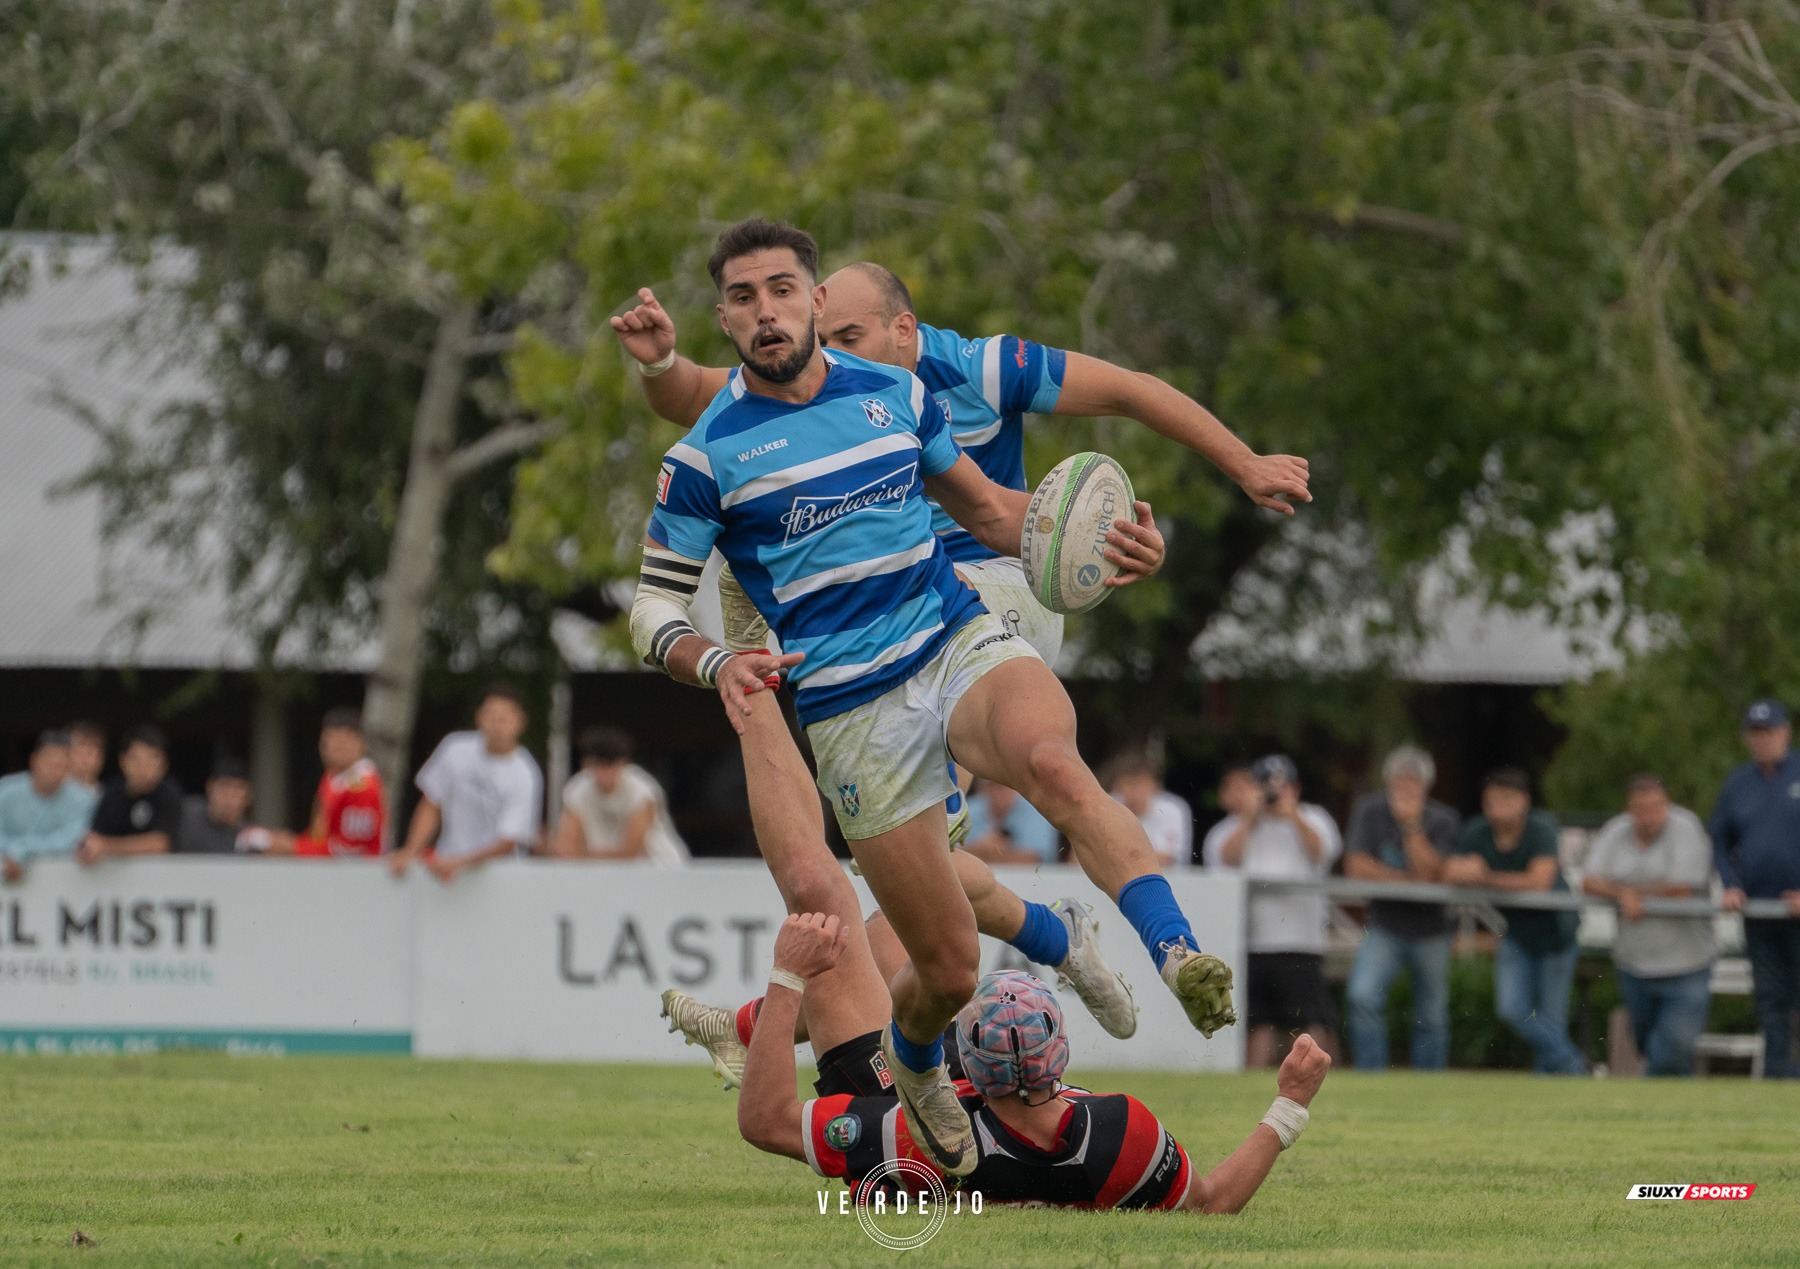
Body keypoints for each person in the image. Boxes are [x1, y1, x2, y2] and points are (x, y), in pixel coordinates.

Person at [620, 218, 1235, 1174]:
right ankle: (915, 1064)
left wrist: (1103, 546)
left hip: (953, 638)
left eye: (781, 288)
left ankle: (1179, 951)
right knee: (943, 968)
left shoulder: (897, 392)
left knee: (1049, 758)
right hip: (851, 712)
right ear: (726, 317)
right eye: (743, 297)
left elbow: (992, 511)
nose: (765, 310)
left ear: (814, 298)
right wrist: (714, 660)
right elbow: (651, 606)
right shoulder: (706, 457)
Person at [617, 256, 1311, 839]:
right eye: (825, 338)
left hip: (1001, 577)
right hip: (900, 604)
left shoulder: (982, 370)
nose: (830, 356)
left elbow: (1129, 391)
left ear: (904, 329)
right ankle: (1020, 915)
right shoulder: (809, 385)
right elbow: (692, 398)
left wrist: (1241, 465)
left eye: (849, 337)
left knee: (937, 614)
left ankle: (947, 793)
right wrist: (661, 363)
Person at [673, 908, 1329, 1213]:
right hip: (1004, 1121)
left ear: (961, 1062)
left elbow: (765, 1120)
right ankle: (739, 1028)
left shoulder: (920, 1134)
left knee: (845, 947)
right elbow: (1212, 1202)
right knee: (890, 931)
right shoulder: (1123, 1136)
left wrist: (789, 974)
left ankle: (742, 1028)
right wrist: (1289, 1102)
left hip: (892, 1099)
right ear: (1061, 1060)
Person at [1443, 768, 1584, 1075]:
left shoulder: (1542, 828)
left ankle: (1553, 1082)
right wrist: (1468, 872)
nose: (1501, 806)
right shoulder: (1477, 831)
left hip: (1556, 933)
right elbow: (1451, 870)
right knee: (1511, 1009)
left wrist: (1484, 878)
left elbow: (1539, 881)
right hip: (1516, 933)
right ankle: (1573, 1064)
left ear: (1525, 801)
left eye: (1509, 799)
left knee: (1552, 1016)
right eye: (1494, 799)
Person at [1203, 757, 1343, 1068]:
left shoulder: (1314, 818)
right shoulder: (1235, 826)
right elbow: (1224, 859)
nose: (1274, 794)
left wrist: (1292, 816)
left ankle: (1320, 1079)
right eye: (1266, 787)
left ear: (1296, 789)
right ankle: (1252, 1085)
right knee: (1258, 1022)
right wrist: (1250, 818)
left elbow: (1322, 852)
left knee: (1309, 1020)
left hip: (1301, 941)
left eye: (1283, 786)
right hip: (1251, 942)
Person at [1581, 775, 1716, 1077]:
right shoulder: (1616, 831)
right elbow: (1588, 882)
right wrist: (1622, 895)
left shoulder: (1686, 828)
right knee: (1649, 1047)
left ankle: (1645, 1099)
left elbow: (1681, 889)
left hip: (1687, 962)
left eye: (1656, 807)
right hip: (1634, 963)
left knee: (1674, 1048)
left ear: (1666, 804)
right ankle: (1680, 1112)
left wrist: (1632, 894)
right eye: (1641, 809)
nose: (1649, 816)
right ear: (1629, 809)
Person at [1341, 745, 1461, 1072]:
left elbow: (1430, 873)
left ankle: (1428, 1082)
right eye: (1398, 782)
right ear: (1388, 782)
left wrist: (1411, 827)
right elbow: (1354, 866)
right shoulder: (1369, 811)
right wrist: (1403, 878)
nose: (1404, 790)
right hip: (1384, 924)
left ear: (1426, 787)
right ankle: (1372, 1075)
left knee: (1432, 1015)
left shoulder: (1443, 819)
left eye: (1412, 783)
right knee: (1362, 996)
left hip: (1432, 929)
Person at [1709, 698, 1800, 1079]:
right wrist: (1731, 885)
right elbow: (1719, 840)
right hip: (1761, 915)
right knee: (1771, 1001)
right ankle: (1778, 1079)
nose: (1763, 740)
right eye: (1756, 733)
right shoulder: (1738, 783)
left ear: (1786, 733)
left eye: (1770, 732)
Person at [389, 684, 542, 884]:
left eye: (505, 718)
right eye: (491, 715)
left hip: (500, 878)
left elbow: (509, 841)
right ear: (479, 716)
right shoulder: (455, 748)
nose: (497, 724)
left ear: (520, 722)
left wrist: (460, 863)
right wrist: (411, 850)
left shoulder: (525, 774)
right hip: (445, 871)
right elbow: (432, 803)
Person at [550, 725, 690, 865]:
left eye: (609, 765)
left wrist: (581, 854)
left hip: (659, 868)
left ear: (624, 764)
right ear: (585, 764)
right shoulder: (577, 790)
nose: (602, 773)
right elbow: (565, 848)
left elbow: (629, 854)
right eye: (596, 765)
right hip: (601, 872)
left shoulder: (642, 790)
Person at [287, 707, 385, 857]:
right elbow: (319, 834)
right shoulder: (333, 778)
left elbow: (352, 850)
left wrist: (291, 847)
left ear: (361, 743)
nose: (335, 747)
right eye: (329, 740)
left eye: (344, 741)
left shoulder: (362, 787)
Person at [77, 725, 183, 864]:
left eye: (152, 759)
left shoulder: (169, 792)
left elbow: (160, 844)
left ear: (164, 764)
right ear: (123, 761)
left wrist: (106, 846)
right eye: (137, 759)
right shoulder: (110, 793)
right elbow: (94, 837)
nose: (144, 767)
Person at [0, 731, 97, 881]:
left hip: (60, 885)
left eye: (61, 764)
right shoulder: (5, 790)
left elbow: (70, 840)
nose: (54, 770)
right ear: (33, 760)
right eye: (49, 762)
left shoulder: (83, 799)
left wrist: (19, 851)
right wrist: (12, 855)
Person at [1109, 755, 1194, 871]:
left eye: (1140, 784)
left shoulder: (1173, 809)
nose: (1134, 792)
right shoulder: (1107, 806)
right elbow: (1080, 858)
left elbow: (1164, 859)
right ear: (1117, 785)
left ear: (1155, 786)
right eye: (1128, 783)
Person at [963, 779, 1060, 866]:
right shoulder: (970, 807)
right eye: (992, 785)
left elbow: (1033, 859)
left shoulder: (1037, 809)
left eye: (1004, 786)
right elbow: (955, 855)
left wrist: (982, 850)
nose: (997, 792)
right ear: (982, 789)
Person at [175, 755, 259, 853]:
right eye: (224, 786)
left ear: (248, 797)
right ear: (209, 787)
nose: (229, 796)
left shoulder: (251, 837)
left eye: (237, 789)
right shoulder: (184, 815)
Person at [67, 721, 107, 793]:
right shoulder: (50, 790)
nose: (85, 756)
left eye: (92, 748)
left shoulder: (110, 795)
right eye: (80, 745)